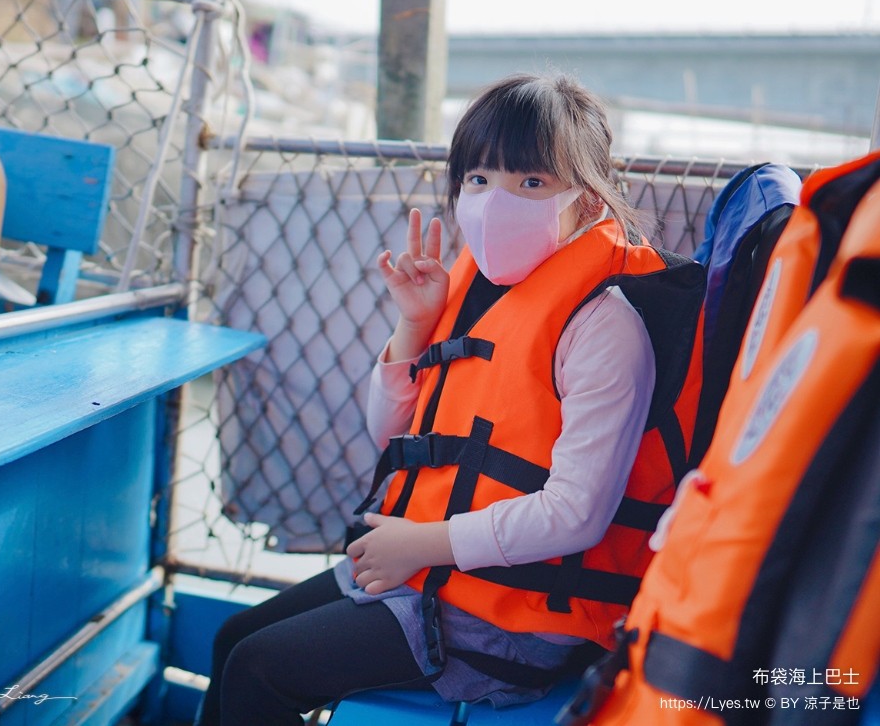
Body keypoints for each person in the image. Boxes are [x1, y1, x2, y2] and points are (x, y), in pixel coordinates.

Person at [197, 73, 701, 726]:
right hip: (432, 574)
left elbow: (578, 514)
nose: (495, 204)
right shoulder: (483, 280)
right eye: (479, 180)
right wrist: (414, 325)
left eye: (531, 183)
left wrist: (422, 545)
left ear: (588, 193)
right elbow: (389, 434)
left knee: (257, 672)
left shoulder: (605, 321)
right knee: (231, 641)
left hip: (509, 619)